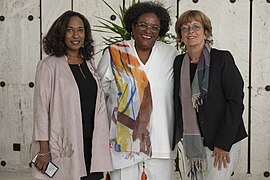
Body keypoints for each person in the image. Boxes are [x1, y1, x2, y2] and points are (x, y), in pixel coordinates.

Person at [97, 1, 179, 180]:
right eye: (142, 25)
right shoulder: (114, 53)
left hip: (161, 143)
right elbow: (99, 98)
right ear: (132, 26)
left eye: (154, 27)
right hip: (123, 143)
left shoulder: (171, 55)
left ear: (160, 31)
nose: (148, 31)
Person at [31, 10, 112, 179]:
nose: (76, 35)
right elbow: (41, 110)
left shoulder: (89, 63)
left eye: (80, 30)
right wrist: (44, 149)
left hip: (92, 145)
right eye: (69, 30)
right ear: (61, 33)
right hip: (67, 143)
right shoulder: (48, 65)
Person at [172, 10, 248, 180]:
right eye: (185, 28)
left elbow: (235, 102)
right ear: (181, 36)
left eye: (196, 26)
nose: (190, 31)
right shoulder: (178, 63)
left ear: (205, 32)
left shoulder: (222, 59)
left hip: (222, 141)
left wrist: (223, 143)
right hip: (193, 143)